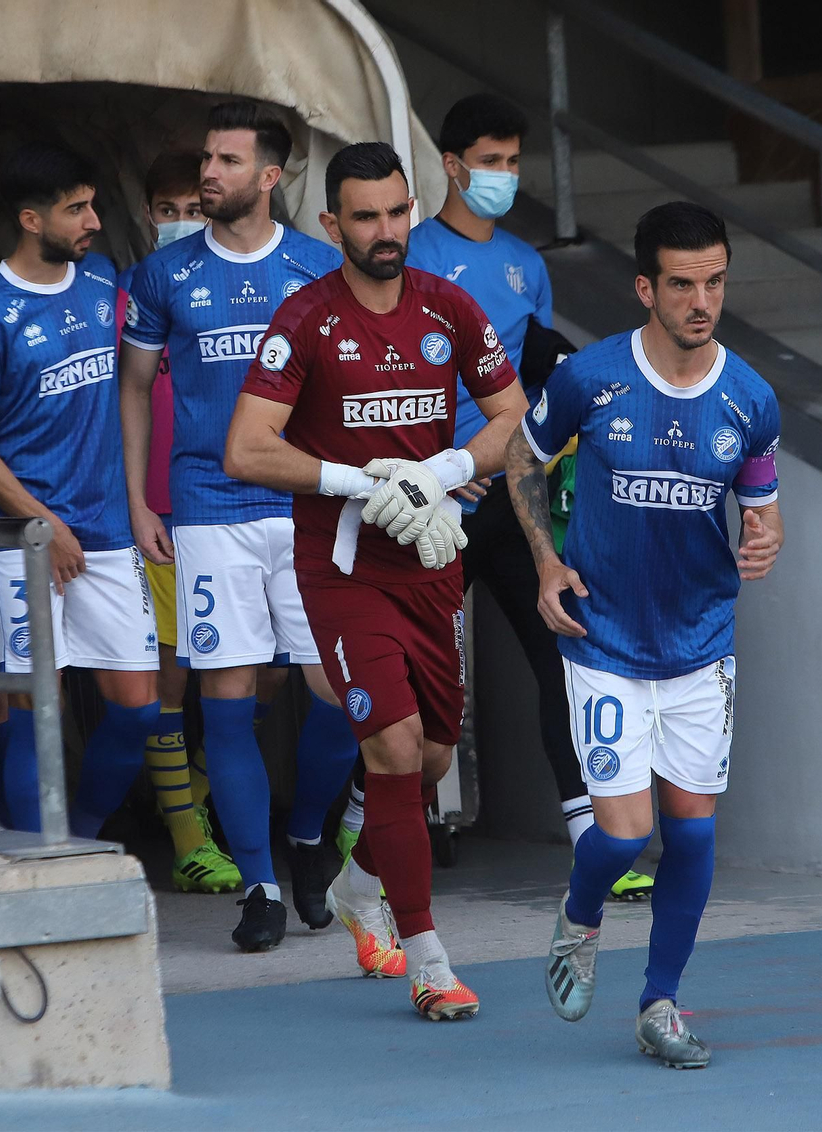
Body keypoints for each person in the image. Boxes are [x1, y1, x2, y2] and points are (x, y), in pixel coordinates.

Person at [227, 142, 528, 1017]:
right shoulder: (305, 318)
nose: (386, 231)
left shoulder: (449, 306)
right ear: (332, 225)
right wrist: (354, 480)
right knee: (395, 750)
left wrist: (440, 470)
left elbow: (514, 418)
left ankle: (362, 883)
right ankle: (431, 961)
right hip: (343, 570)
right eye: (366, 217)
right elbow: (246, 446)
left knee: (430, 758)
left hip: (432, 563)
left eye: (398, 212)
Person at [504, 202, 783, 1067]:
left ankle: (661, 1004)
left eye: (715, 281)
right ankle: (579, 917)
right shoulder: (591, 378)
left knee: (693, 834)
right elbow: (520, 459)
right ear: (645, 287)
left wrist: (767, 536)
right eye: (683, 283)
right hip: (607, 638)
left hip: (701, 642)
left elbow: (763, 507)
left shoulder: (752, 398)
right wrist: (547, 564)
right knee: (624, 837)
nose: (702, 300)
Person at [404, 93, 654, 901]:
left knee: (561, 655)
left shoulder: (525, 263)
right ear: (451, 164)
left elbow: (540, 379)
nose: (503, 177)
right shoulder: (407, 252)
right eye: (490, 162)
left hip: (514, 501)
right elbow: (386, 381)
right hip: (429, 503)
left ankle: (595, 844)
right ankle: (379, 839)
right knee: (412, 681)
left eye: (513, 163)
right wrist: (443, 463)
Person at [122, 103, 356, 951]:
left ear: (270, 176)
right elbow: (135, 388)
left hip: (304, 506)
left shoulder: (322, 269)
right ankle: (257, 884)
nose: (207, 175)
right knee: (225, 695)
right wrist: (141, 503)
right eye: (204, 161)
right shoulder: (163, 276)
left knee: (336, 694)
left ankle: (304, 839)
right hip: (208, 507)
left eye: (225, 161)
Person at [0, 143, 160, 836]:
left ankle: (84, 839)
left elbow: (135, 390)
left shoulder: (101, 280)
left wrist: (130, 504)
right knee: (36, 711)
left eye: (93, 203)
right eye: (77, 209)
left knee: (137, 709)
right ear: (32, 220)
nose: (93, 219)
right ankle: (43, 860)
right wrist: (45, 527)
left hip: (104, 533)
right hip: (24, 542)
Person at [117, 151, 241, 895]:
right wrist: (133, 502)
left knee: (255, 678)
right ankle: (188, 835)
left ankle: (193, 796)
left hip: (245, 509)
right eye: (166, 210)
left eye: (192, 207)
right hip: (161, 511)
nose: (180, 222)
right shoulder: (130, 291)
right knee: (170, 673)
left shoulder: (256, 282)